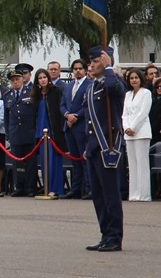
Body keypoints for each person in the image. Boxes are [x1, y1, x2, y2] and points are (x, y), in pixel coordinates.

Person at [83, 47, 125, 252]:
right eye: (90, 61)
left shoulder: (114, 82)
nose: (91, 64)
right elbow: (89, 120)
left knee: (110, 195)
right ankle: (105, 234)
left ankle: (115, 237)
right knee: (98, 196)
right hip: (94, 147)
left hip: (109, 147)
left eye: (96, 61)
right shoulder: (92, 87)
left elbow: (114, 87)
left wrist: (109, 68)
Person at [61, 59, 92, 199]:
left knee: (84, 158)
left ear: (85, 70)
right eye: (75, 69)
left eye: (80, 68)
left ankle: (89, 188)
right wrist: (67, 115)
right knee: (75, 160)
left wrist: (76, 117)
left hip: (81, 126)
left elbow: (87, 105)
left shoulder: (90, 85)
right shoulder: (69, 86)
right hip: (69, 126)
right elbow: (62, 104)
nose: (77, 71)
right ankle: (76, 188)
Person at [32, 68, 65, 197]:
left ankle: (56, 188)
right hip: (40, 132)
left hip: (52, 131)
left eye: (44, 77)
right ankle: (46, 187)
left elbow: (58, 112)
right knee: (44, 162)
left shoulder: (55, 91)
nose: (43, 80)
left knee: (54, 161)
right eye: (40, 78)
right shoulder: (36, 94)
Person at [5, 64, 37, 197]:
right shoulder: (8, 95)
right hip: (15, 132)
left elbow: (36, 113)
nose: (15, 82)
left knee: (30, 162)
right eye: (12, 80)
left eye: (17, 79)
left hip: (29, 132)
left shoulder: (31, 92)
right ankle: (19, 186)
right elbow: (7, 116)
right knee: (17, 161)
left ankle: (30, 187)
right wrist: (8, 132)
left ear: (22, 79)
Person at [121, 68, 153, 202]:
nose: (134, 80)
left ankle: (144, 194)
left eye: (136, 78)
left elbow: (143, 112)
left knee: (142, 163)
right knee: (132, 164)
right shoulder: (127, 94)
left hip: (142, 131)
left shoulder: (146, 93)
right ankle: (133, 194)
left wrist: (133, 127)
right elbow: (124, 114)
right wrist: (127, 127)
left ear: (141, 79)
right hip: (129, 133)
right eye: (131, 78)